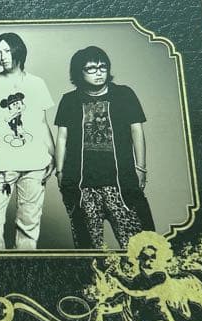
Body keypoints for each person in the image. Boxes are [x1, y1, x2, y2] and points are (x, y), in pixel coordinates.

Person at [54, 45, 153, 249]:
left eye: (102, 67)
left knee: (140, 247)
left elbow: (137, 131)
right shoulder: (69, 100)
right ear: (79, 72)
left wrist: (141, 168)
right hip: (82, 185)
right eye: (91, 68)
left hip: (119, 182)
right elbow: (62, 138)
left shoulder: (124, 94)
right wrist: (60, 172)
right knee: (89, 249)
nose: (98, 72)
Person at [0, 32, 56, 250]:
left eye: (7, 51)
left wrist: (54, 156)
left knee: (29, 224)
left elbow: (42, 123)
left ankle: (23, 266)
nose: (2, 56)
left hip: (35, 165)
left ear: (18, 51)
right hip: (0, 165)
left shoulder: (37, 83)